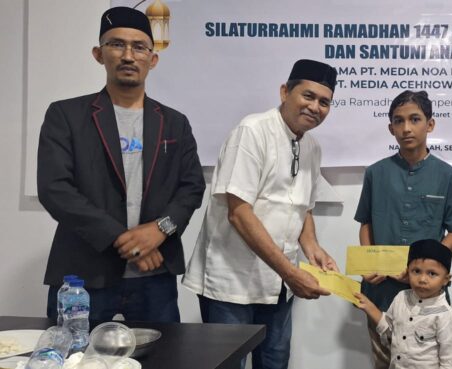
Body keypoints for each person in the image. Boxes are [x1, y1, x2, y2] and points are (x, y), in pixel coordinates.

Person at [37, 6, 205, 322]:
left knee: (164, 351)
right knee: (76, 350)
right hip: (83, 276)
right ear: (98, 54)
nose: (128, 55)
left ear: (152, 59)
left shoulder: (174, 122)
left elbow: (192, 187)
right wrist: (124, 240)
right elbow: (55, 189)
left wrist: (160, 230)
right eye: (117, 44)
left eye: (139, 47)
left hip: (155, 277)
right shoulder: (66, 115)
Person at [182, 59, 339, 369]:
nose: (315, 107)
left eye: (324, 102)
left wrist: (313, 249)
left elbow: (303, 207)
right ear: (285, 92)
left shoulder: (312, 147)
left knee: (275, 363)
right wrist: (291, 273)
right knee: (229, 364)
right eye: (308, 96)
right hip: (232, 284)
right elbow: (239, 213)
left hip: (278, 287)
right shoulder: (252, 131)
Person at [354, 90, 452, 369]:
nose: (406, 128)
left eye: (415, 119)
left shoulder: (447, 176)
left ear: (430, 124)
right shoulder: (375, 173)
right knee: (385, 362)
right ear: (390, 128)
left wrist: (425, 266)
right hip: (381, 291)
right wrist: (369, 262)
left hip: (428, 297)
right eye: (399, 121)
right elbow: (365, 222)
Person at [355, 239, 452, 369]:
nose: (422, 279)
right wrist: (369, 306)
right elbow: (389, 331)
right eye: (416, 271)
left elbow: (449, 364)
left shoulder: (446, 316)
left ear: (446, 279)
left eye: (432, 273)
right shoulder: (401, 297)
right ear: (407, 271)